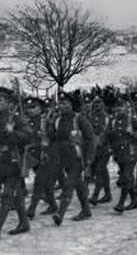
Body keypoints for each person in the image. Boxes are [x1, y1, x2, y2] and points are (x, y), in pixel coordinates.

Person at [0, 87, 32, 240]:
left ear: (8, 102)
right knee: (15, 196)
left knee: (7, 194)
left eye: (0, 100)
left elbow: (27, 136)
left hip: (13, 161)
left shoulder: (16, 118)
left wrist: (12, 132)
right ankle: (24, 223)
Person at [49, 92, 95, 226]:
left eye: (65, 103)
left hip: (77, 157)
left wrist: (89, 160)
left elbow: (90, 139)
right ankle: (86, 210)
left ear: (71, 105)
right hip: (62, 158)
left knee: (68, 185)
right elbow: (52, 138)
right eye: (60, 103)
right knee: (78, 184)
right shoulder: (57, 120)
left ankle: (60, 213)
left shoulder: (79, 119)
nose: (61, 106)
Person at [106, 94, 137, 213]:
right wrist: (111, 149)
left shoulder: (131, 120)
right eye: (117, 108)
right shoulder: (113, 121)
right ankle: (134, 201)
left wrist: (133, 133)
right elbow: (111, 137)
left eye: (121, 107)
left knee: (126, 177)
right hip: (119, 154)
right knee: (127, 178)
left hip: (131, 153)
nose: (118, 110)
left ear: (126, 108)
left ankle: (121, 203)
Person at [25, 97, 58, 219]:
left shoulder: (47, 120)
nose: (31, 110)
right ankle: (53, 205)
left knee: (39, 183)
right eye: (29, 108)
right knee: (46, 185)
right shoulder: (28, 122)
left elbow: (54, 137)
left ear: (40, 108)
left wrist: (46, 136)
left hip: (47, 155)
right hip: (34, 157)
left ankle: (31, 209)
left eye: (34, 107)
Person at [88, 95, 113, 205]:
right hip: (93, 149)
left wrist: (102, 140)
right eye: (95, 103)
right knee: (102, 171)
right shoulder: (90, 116)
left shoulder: (107, 117)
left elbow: (108, 131)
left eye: (99, 103)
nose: (97, 105)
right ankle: (108, 194)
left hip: (104, 148)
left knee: (99, 170)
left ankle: (95, 195)